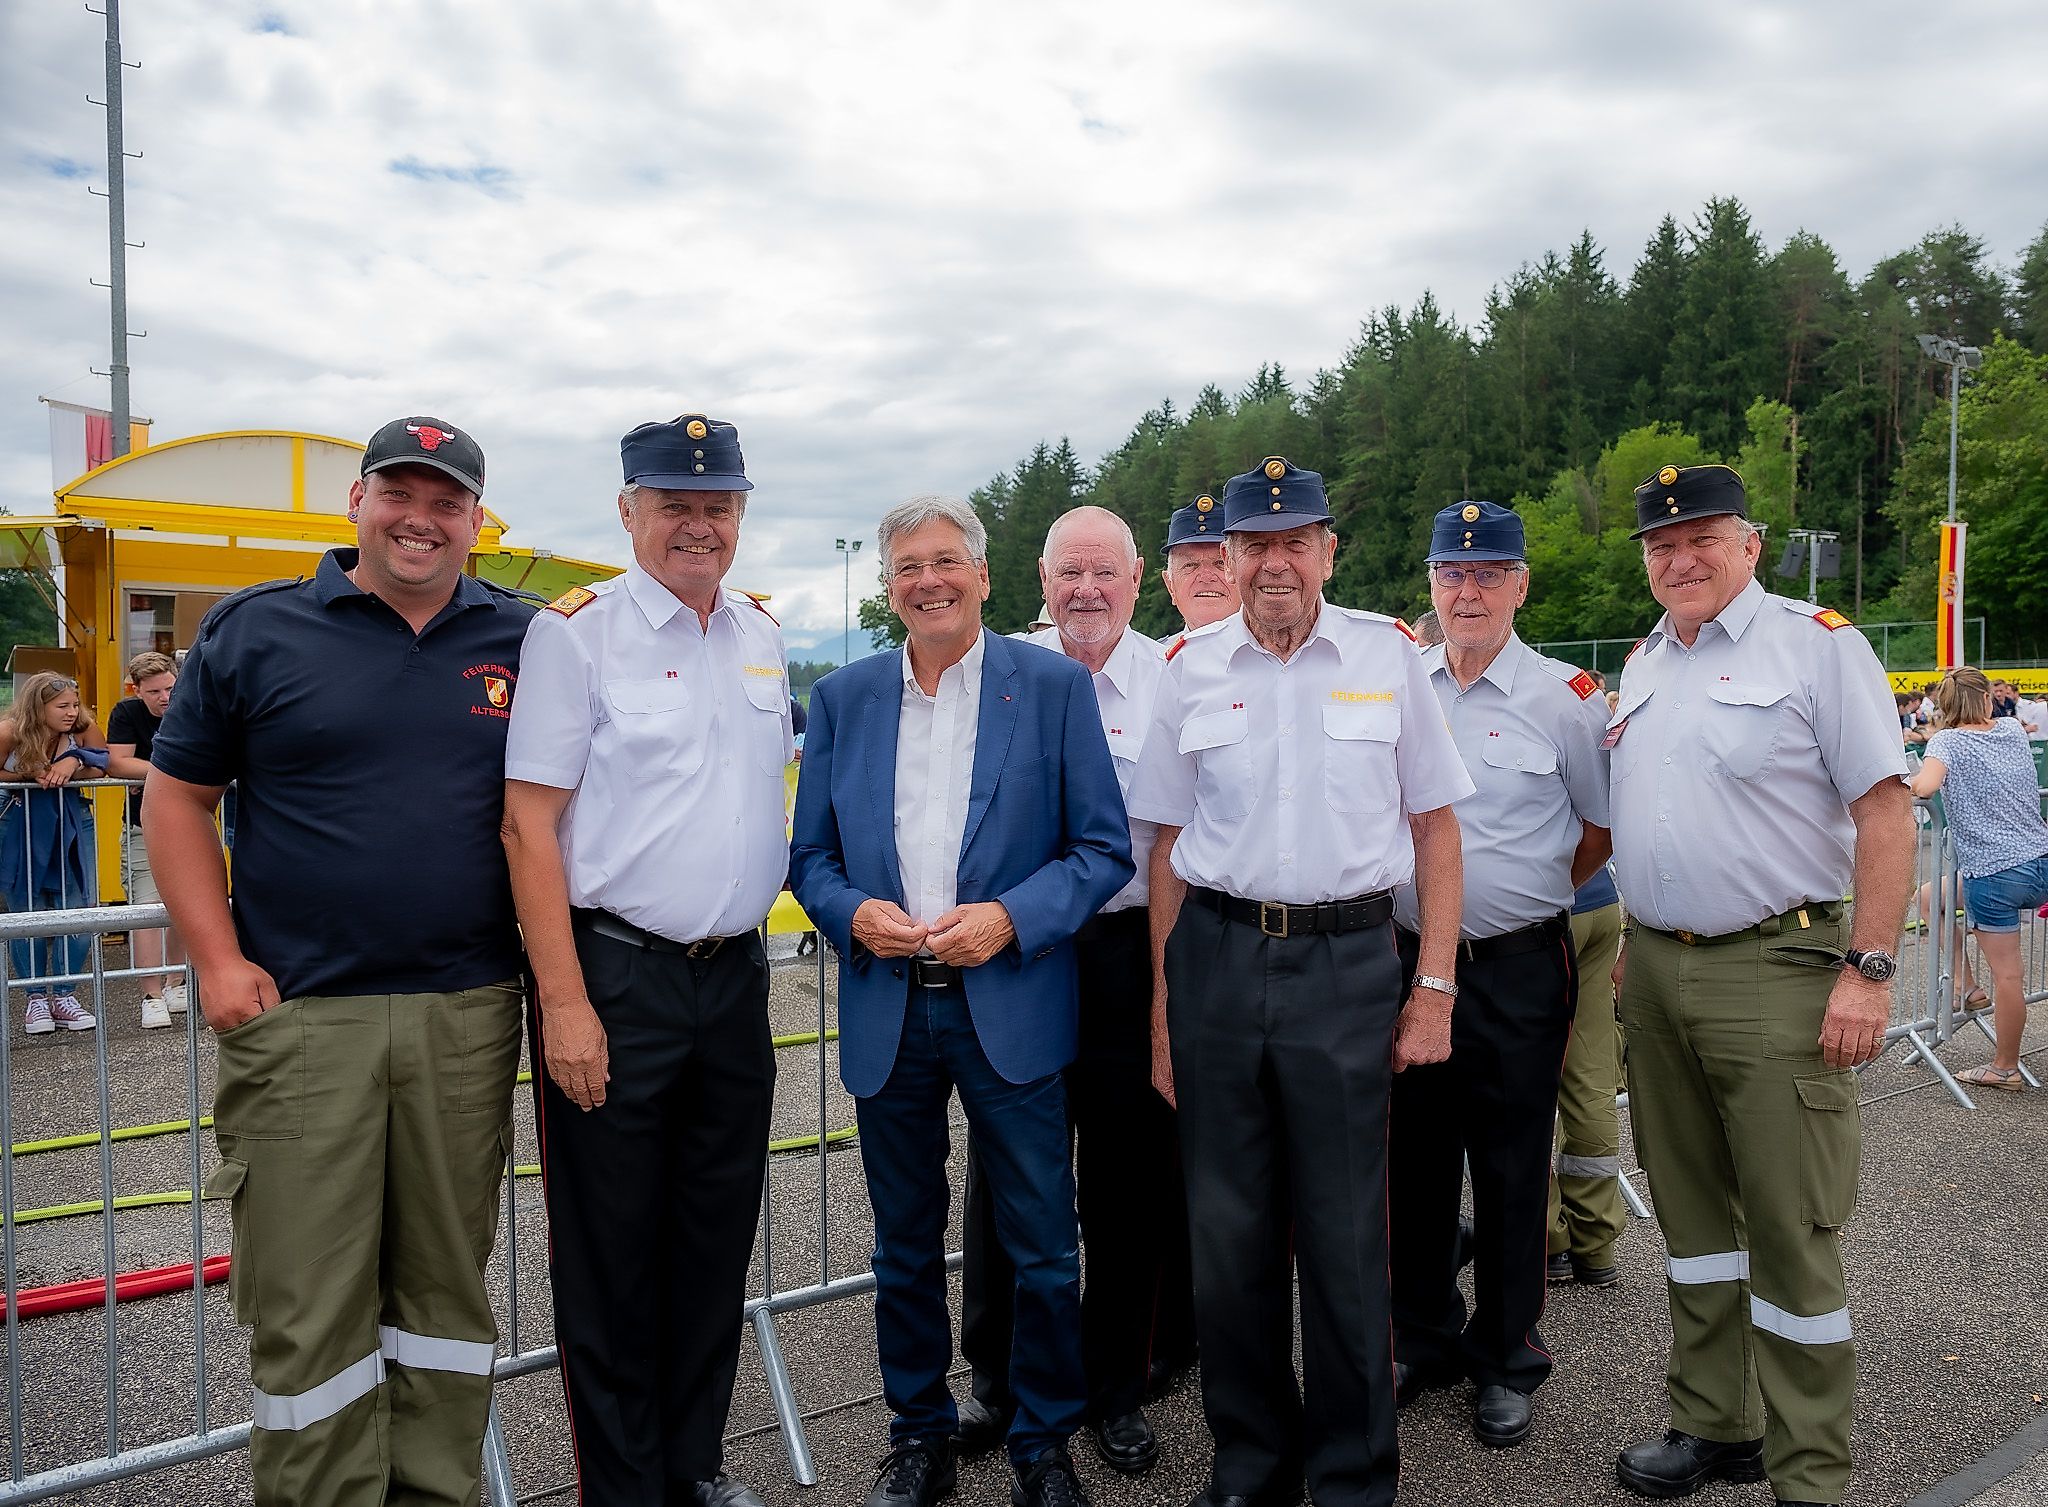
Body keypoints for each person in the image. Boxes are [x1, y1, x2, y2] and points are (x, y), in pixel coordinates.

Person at [145, 417, 533, 1507]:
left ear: (474, 519)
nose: (422, 518)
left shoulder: (524, 637)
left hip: (466, 1012)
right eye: (399, 494)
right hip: (305, 1017)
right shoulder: (256, 630)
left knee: (446, 1301)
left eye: (447, 500)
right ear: (355, 501)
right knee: (309, 1303)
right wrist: (215, 961)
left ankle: (436, 1492)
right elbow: (175, 798)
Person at [1129, 455, 1473, 1507]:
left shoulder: (1386, 657)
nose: (1272, 562)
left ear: (1327, 549)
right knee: (1225, 1236)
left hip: (1345, 966)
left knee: (1340, 1235)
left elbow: (1435, 828)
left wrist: (1433, 986)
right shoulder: (1185, 668)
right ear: (1221, 557)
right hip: (1218, 963)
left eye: (1293, 541)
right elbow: (1165, 847)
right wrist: (1160, 1011)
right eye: (1251, 545)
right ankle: (1250, 1462)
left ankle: (1352, 1471)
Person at [790, 493, 1132, 1507]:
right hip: (890, 1004)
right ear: (885, 584)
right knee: (901, 1243)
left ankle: (1040, 1442)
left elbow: (1101, 849)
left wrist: (1010, 919)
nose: (928, 580)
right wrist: (852, 913)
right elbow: (808, 858)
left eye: (947, 561)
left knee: (1039, 1241)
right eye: (907, 566)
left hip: (1010, 999)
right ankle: (919, 1435)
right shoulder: (844, 698)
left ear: (984, 577)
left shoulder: (1053, 688)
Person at [1605, 463, 1913, 1507]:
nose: (1679, 558)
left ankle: (1808, 1470)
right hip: (1653, 968)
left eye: (1701, 537)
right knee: (1690, 1221)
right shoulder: (1645, 661)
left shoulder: (1815, 646)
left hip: (1774, 969)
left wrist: (1866, 971)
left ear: (1749, 543)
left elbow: (1883, 813)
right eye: (1659, 544)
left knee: (1788, 1228)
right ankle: (1713, 1420)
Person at [501, 416, 790, 1507]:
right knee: (612, 1254)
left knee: (714, 1240)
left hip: (733, 979)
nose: (697, 524)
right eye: (673, 503)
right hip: (616, 978)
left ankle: (693, 1463)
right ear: (628, 512)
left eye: (716, 506)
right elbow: (529, 830)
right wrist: (564, 1003)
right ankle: (622, 1489)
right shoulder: (575, 635)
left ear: (739, 517)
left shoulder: (760, 636)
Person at [957, 506, 1192, 1475]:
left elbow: (1174, 845)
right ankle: (997, 1380)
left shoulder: (1174, 684)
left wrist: (1166, 995)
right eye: (1068, 573)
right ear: (1039, 580)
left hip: (1125, 948)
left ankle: (1113, 1387)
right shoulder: (994, 671)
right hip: (1016, 945)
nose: (1085, 591)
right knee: (1004, 1178)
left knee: (1126, 1182)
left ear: (1136, 580)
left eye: (1104, 572)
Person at [1387, 501, 1612, 1449]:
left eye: (1487, 574)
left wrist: (1516, 904)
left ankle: (1509, 1355)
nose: (1467, 590)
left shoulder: (1566, 698)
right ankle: (1423, 1335)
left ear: (1521, 583)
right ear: (1431, 585)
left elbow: (1600, 829)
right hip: (1404, 962)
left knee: (1515, 1165)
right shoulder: (1403, 684)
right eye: (1451, 574)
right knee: (1413, 1161)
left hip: (1519, 966)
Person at [1906, 667, 2048, 1089]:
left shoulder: (1946, 740)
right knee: (1930, 897)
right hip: (2038, 859)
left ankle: (2004, 1067)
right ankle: (1967, 987)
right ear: (1987, 698)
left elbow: (1926, 787)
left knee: (2009, 976)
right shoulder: (2010, 730)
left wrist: (1902, 783)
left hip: (1993, 871)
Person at [0, 671, 106, 1034]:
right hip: (19, 820)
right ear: (37, 707)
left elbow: (103, 762)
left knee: (77, 907)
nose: (72, 712)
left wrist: (73, 761)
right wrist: (31, 774)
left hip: (73, 819)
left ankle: (64, 994)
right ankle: (35, 1000)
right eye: (62, 706)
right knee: (26, 909)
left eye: (75, 704)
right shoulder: (9, 731)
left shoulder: (82, 726)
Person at [1547, 862, 1627, 1288]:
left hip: (1542, 908)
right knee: (1590, 1082)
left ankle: (1548, 1240)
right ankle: (1595, 1245)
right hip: (1599, 900)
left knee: (1523, 1083)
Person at [107, 650, 187, 1028]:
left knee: (184, 905)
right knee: (147, 908)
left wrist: (150, 775)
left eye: (169, 687)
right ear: (137, 690)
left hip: (191, 823)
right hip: (142, 826)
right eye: (154, 691)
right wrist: (168, 773)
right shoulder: (126, 713)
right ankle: (151, 994)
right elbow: (117, 762)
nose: (165, 697)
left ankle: (177, 981)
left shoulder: (192, 704)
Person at [1159, 493, 1240, 644]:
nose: (1206, 576)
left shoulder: (1283, 659)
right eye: (1190, 565)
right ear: (1170, 586)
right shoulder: (1153, 662)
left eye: (1220, 563)